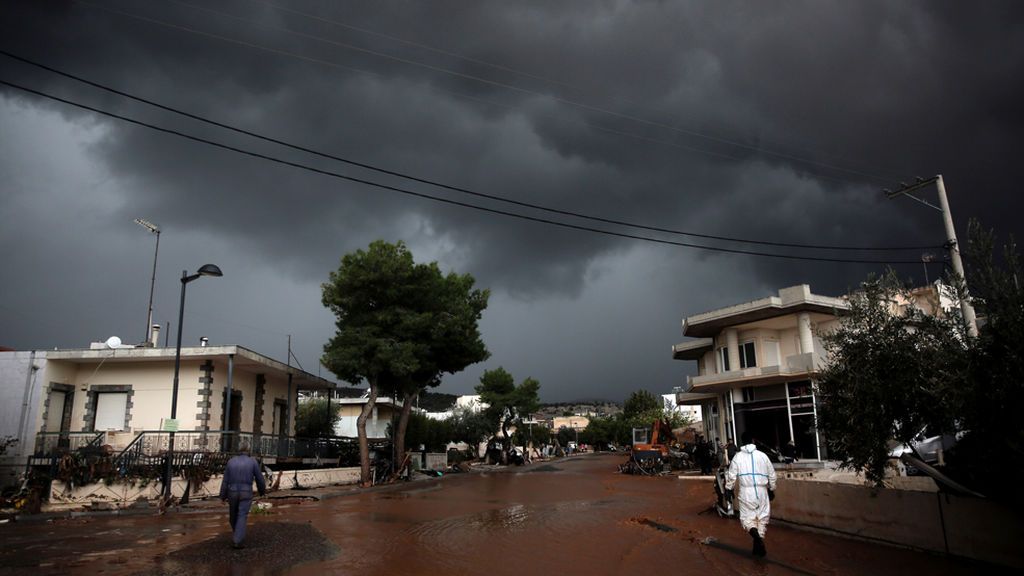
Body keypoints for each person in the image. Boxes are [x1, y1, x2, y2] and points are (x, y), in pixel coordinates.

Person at [725, 431, 778, 557]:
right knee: (762, 518)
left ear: (742, 442)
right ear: (753, 441)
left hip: (746, 492)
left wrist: (728, 489)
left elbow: (731, 475)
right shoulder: (763, 456)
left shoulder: (738, 457)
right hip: (762, 491)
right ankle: (758, 546)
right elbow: (772, 474)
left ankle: (757, 541)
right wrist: (771, 489)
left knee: (747, 519)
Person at [219, 442, 267, 549]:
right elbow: (260, 479)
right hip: (246, 492)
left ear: (239, 449)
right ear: (248, 450)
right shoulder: (253, 462)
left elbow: (225, 481)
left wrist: (222, 496)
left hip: (232, 492)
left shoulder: (231, 462)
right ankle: (237, 539)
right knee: (242, 515)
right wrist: (262, 492)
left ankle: (238, 535)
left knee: (233, 515)